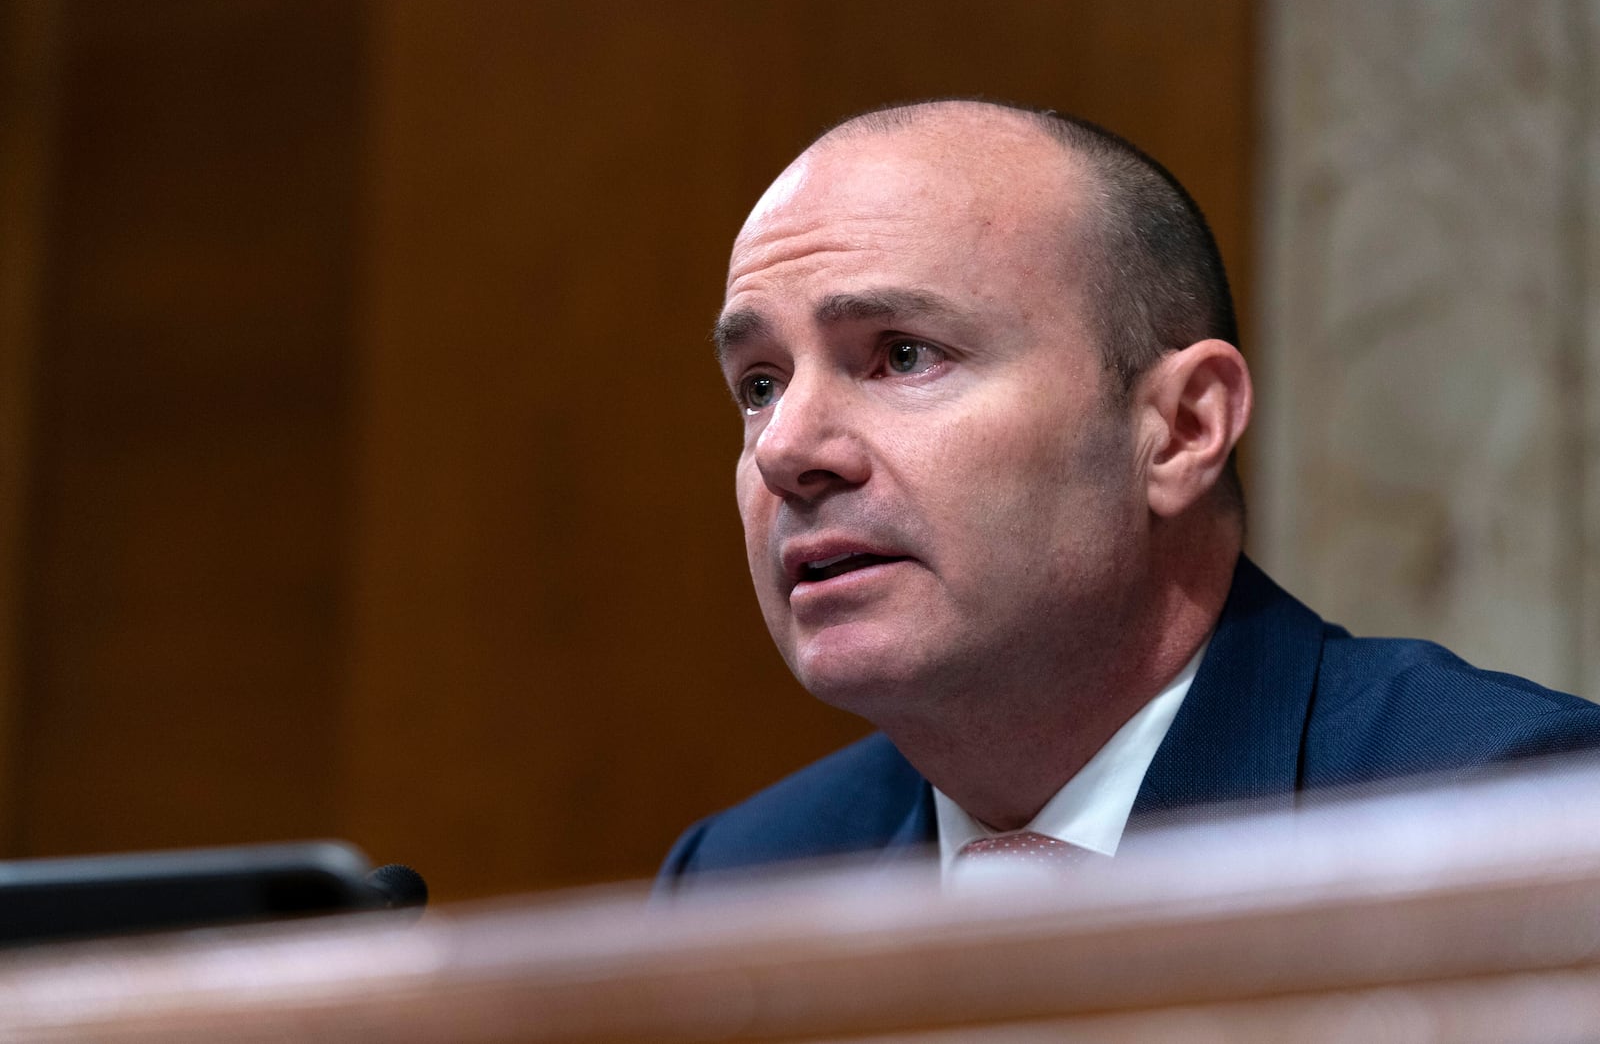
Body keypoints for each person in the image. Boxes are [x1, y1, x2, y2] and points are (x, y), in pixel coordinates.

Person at [658, 99, 1600, 889]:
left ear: (1183, 428)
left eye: (903, 355)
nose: (786, 450)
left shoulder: (1513, 818)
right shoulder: (741, 880)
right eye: (760, 384)